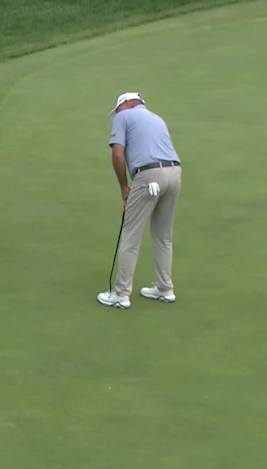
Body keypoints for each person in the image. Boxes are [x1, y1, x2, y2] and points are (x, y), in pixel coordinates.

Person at [97, 92, 183, 309]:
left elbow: (117, 154)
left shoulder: (123, 117)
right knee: (163, 236)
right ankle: (165, 288)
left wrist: (124, 188)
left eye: (117, 108)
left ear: (126, 104)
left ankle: (121, 294)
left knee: (131, 235)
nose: (116, 114)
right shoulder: (157, 118)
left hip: (148, 175)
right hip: (175, 174)